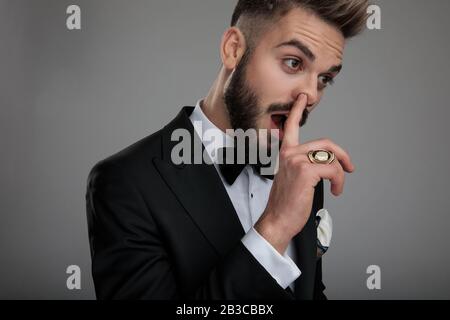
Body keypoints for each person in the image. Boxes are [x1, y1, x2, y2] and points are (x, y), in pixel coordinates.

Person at [86, 0, 366, 300]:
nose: (310, 94)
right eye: (294, 63)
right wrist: (275, 228)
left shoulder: (300, 174)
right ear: (234, 49)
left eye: (324, 79)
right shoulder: (125, 182)